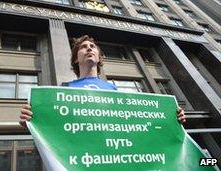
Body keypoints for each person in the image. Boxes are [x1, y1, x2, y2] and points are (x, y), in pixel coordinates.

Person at [19, 35, 186, 127]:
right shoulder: (64, 90)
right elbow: (53, 127)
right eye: (83, 47)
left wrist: (170, 117)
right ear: (76, 59)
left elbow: (135, 122)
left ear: (99, 59)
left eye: (92, 47)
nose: (89, 48)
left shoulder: (113, 90)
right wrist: (32, 122)